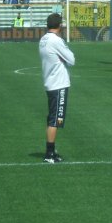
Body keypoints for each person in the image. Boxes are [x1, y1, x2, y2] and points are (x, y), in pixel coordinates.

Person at [39, 13, 76, 164]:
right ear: (59, 26)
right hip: (58, 83)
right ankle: (49, 154)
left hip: (50, 81)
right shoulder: (56, 41)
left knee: (52, 118)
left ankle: (52, 151)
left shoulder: (43, 39)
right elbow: (72, 60)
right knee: (55, 119)